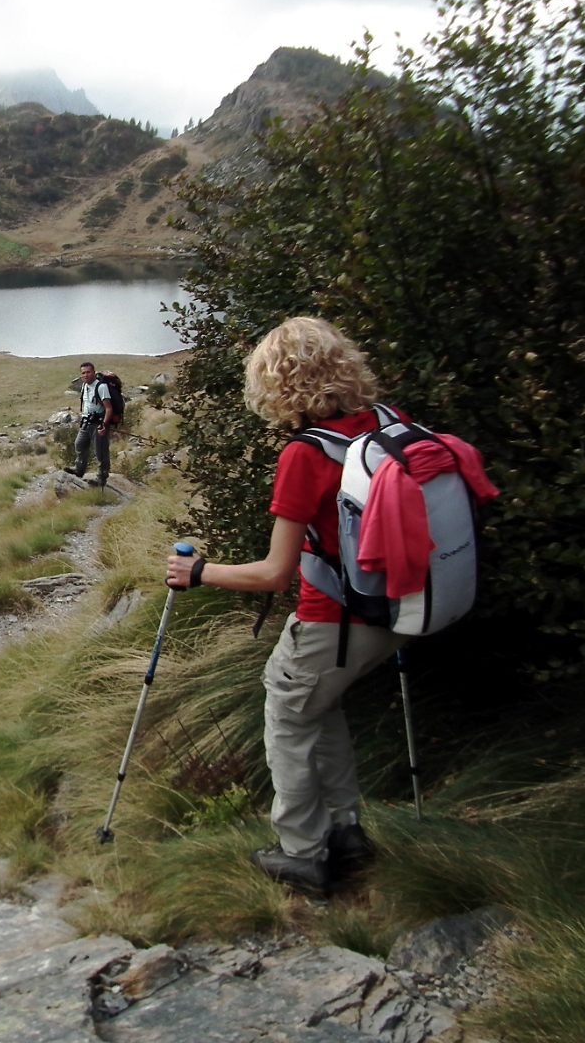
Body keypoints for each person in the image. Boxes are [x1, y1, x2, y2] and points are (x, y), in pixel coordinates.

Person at [164, 317, 402, 897]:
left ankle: (302, 852)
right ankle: (346, 834)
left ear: (278, 382)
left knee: (288, 717)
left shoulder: (307, 453)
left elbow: (275, 573)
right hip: (397, 615)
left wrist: (198, 572)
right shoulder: (388, 425)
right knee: (321, 707)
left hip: (334, 622)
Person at [67, 360, 112, 486]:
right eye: (83, 373)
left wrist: (103, 425)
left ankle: (102, 477)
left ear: (93, 372)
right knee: (79, 445)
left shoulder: (101, 387)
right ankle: (78, 470)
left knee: (101, 452)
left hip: (98, 423)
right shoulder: (85, 386)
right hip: (86, 422)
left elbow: (109, 408)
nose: (85, 375)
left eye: (88, 372)